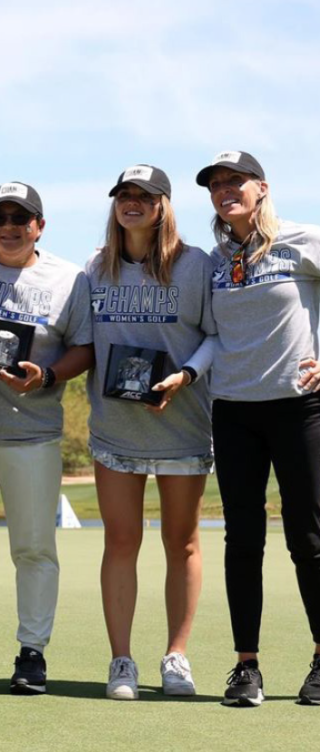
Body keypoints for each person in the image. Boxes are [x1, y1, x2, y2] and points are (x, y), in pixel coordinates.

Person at [0, 181, 93, 694]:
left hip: (33, 433)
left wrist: (48, 377)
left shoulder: (69, 278)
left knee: (33, 548)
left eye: (20, 219)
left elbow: (84, 347)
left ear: (39, 226)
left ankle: (32, 653)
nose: (9, 228)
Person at [86, 165, 216, 699]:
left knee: (181, 542)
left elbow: (214, 335)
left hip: (181, 424)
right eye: (124, 195)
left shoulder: (196, 266)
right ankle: (122, 661)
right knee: (121, 540)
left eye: (144, 196)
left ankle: (176, 656)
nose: (132, 203)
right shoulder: (95, 269)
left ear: (163, 205)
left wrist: (186, 375)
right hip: (116, 431)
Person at [197, 151, 320, 707]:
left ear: (261, 188)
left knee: (310, 541)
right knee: (242, 542)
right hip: (235, 410)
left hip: (301, 409)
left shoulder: (302, 240)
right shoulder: (217, 260)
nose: (225, 190)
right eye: (216, 184)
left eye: (235, 181)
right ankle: (246, 666)